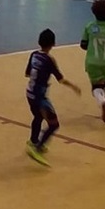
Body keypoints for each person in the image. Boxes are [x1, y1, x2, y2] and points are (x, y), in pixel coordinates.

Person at [25, 29, 82, 166]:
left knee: (38, 117)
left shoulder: (34, 55)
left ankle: (33, 141)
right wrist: (74, 87)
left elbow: (27, 74)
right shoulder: (49, 60)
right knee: (54, 124)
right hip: (40, 97)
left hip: (29, 93)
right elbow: (60, 79)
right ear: (53, 44)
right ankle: (36, 148)